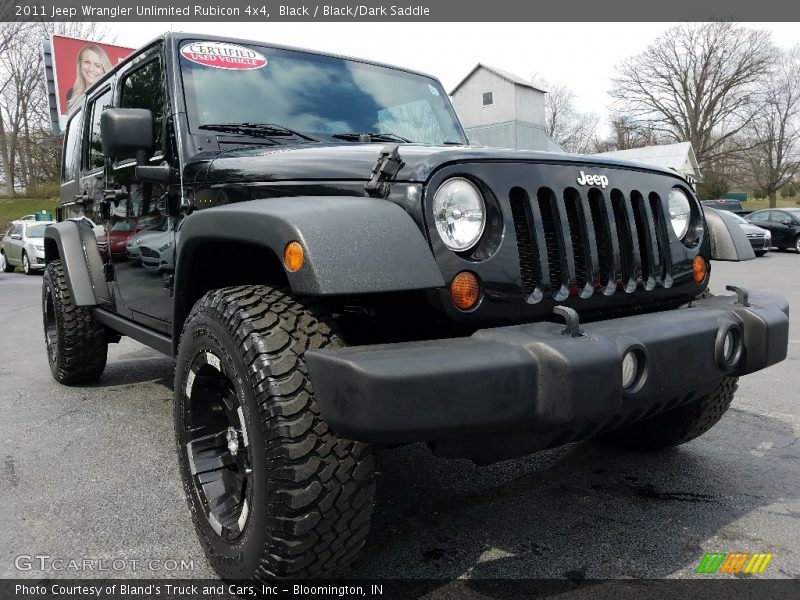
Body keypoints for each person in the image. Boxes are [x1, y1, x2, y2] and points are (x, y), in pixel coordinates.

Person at [66, 45, 112, 110]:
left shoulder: (110, 94)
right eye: (87, 62)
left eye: (97, 66)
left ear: (105, 70)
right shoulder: (71, 95)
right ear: (80, 64)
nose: (91, 69)